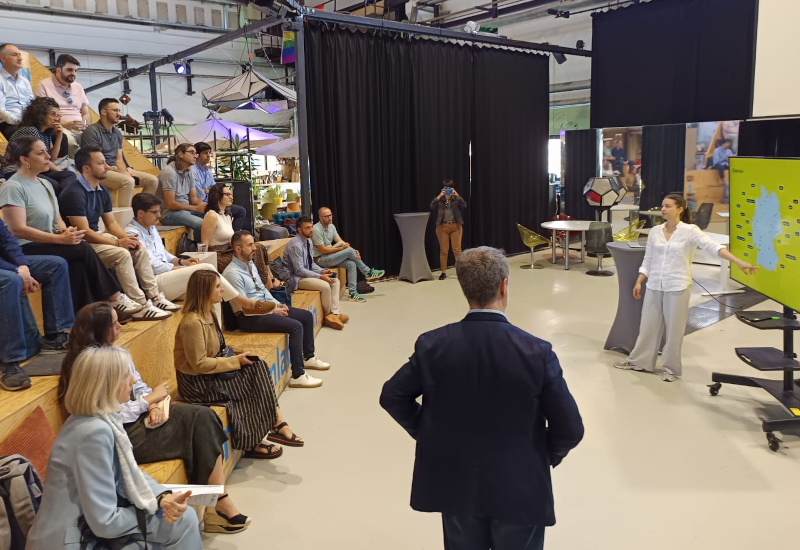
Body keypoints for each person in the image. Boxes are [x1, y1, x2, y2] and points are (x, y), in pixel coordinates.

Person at [380, 246, 584, 550]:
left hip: (456, 483)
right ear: (504, 286)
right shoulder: (536, 352)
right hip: (520, 486)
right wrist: (541, 455)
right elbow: (570, 429)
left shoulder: (433, 345)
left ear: (464, 288)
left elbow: (393, 396)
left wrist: (428, 432)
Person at [58, 302, 251, 535]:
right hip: (120, 433)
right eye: (114, 323)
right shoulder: (87, 365)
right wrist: (148, 401)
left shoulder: (117, 352)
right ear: (98, 329)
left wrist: (153, 406)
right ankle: (218, 503)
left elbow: (138, 385)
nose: (120, 326)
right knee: (196, 432)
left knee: (204, 416)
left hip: (140, 417)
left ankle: (216, 498)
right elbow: (107, 413)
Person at [26, 345, 200, 549]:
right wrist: (151, 508)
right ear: (108, 384)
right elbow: (105, 522)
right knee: (183, 521)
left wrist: (162, 497)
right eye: (126, 375)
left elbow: (127, 472)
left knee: (182, 519)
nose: (133, 380)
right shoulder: (93, 432)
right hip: (71, 540)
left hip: (85, 530)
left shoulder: (95, 419)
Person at [614, 194, 758, 382]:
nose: (663, 209)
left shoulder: (690, 231)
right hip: (654, 284)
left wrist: (738, 261)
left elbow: (714, 247)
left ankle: (670, 369)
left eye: (668, 206)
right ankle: (639, 361)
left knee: (674, 330)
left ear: (680, 209)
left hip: (677, 286)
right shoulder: (655, 231)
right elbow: (648, 259)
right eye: (662, 205)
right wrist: (640, 280)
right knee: (647, 326)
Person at [0, 136, 143, 316]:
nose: (48, 157)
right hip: (25, 247)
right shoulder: (13, 187)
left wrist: (66, 231)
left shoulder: (45, 183)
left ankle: (91, 316)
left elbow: (57, 217)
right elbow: (17, 230)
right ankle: (114, 296)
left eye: (46, 151)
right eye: (41, 153)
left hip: (49, 242)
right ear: (24, 159)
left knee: (77, 263)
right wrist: (60, 239)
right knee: (82, 248)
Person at [174, 269, 304, 460]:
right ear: (204, 292)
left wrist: (237, 354)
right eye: (217, 287)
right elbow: (199, 364)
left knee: (257, 365)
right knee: (245, 386)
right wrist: (235, 361)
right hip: (196, 383)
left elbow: (217, 347)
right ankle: (253, 442)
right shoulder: (192, 322)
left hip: (210, 372)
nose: (222, 290)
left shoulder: (210, 312)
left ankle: (276, 422)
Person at [59, 147, 176, 321]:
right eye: (101, 163)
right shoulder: (74, 193)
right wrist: (118, 243)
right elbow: (85, 232)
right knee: (121, 254)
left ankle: (154, 297)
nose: (107, 166)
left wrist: (127, 239)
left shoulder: (102, 190)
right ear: (86, 168)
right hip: (81, 243)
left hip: (97, 236)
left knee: (138, 248)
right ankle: (141, 305)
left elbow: (111, 223)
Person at [126, 192, 273, 315]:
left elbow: (164, 254)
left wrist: (182, 261)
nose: (159, 215)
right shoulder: (132, 234)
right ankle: (246, 304)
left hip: (167, 278)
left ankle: (220, 335)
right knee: (206, 269)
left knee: (209, 291)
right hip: (153, 284)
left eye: (159, 211)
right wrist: (178, 268)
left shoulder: (151, 228)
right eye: (154, 212)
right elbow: (150, 266)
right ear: (140, 213)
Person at [223, 230, 327, 389]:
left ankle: (309, 357)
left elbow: (263, 290)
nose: (254, 248)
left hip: (266, 308)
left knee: (306, 316)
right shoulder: (232, 273)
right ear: (238, 249)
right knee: (296, 326)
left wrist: (276, 304)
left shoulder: (250, 264)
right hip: (249, 318)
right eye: (250, 245)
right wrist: (272, 310)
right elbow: (245, 307)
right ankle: (298, 375)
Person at [0, 217, 74, 391]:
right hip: (6, 269)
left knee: (56, 265)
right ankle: (10, 362)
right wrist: (15, 270)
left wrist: (23, 266)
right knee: (11, 281)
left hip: (6, 265)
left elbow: (6, 240)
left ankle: (55, 337)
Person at [201, 182, 285, 288]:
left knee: (258, 247)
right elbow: (204, 243)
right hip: (217, 255)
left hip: (228, 249)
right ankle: (269, 285)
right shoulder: (211, 216)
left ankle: (270, 280)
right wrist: (205, 266)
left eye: (231, 194)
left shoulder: (226, 215)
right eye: (227, 194)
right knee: (256, 250)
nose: (231, 197)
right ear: (217, 196)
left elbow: (228, 238)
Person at [80, 97, 158, 207]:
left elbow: (119, 159)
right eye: (115, 110)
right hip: (99, 169)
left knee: (153, 180)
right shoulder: (91, 132)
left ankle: (140, 212)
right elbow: (96, 161)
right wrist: (123, 173)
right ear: (104, 112)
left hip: (114, 168)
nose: (118, 114)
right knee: (128, 181)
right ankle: (125, 216)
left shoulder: (117, 132)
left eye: (119, 110)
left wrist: (125, 171)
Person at [1, 96, 78, 195]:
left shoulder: (45, 133)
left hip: (35, 169)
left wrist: (59, 136)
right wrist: (59, 171)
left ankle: (65, 201)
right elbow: (42, 159)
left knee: (69, 175)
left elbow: (52, 157)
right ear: (40, 114)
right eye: (53, 114)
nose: (57, 118)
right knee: (55, 184)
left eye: (58, 115)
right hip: (17, 171)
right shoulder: (30, 130)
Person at [283, 215, 347, 330]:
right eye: (307, 228)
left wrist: (322, 271)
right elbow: (299, 270)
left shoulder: (308, 241)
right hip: (296, 279)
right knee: (325, 286)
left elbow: (311, 264)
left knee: (335, 281)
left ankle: (335, 314)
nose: (311, 230)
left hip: (305, 274)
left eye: (311, 227)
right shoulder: (296, 245)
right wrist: (320, 276)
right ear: (299, 230)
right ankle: (328, 315)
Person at [312, 206, 384, 303]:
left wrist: (354, 251)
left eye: (330, 215)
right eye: (326, 216)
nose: (330, 218)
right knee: (349, 252)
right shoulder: (316, 229)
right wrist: (343, 249)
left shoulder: (331, 226)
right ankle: (368, 272)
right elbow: (323, 250)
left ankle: (352, 294)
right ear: (320, 217)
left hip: (330, 256)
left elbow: (341, 242)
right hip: (320, 259)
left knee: (351, 264)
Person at [34, 53, 91, 154]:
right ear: (58, 70)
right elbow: (42, 114)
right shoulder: (43, 85)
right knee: (70, 143)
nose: (73, 73)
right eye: (69, 70)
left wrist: (84, 124)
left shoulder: (78, 87)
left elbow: (86, 113)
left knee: (94, 141)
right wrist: (65, 124)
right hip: (58, 127)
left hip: (80, 129)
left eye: (75, 70)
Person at [192, 141, 247, 230]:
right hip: (202, 205)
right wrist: (208, 191)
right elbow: (200, 196)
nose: (208, 155)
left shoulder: (207, 169)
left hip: (214, 203)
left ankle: (233, 236)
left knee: (241, 211)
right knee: (228, 213)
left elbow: (216, 191)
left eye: (209, 152)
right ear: (197, 155)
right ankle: (226, 236)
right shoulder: (192, 170)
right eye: (205, 153)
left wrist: (206, 190)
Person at [156, 142, 205, 239]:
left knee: (214, 217)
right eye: (192, 152)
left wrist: (207, 206)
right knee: (202, 224)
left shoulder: (189, 172)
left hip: (185, 210)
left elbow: (194, 199)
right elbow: (170, 204)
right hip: (169, 214)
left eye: (196, 154)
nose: (195, 156)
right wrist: (195, 208)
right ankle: (199, 247)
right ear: (181, 154)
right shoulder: (169, 172)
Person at [430, 180, 466, 280]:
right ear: (443, 189)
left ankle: (460, 272)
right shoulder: (440, 199)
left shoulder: (456, 199)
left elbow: (464, 205)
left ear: (452, 189)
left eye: (449, 188)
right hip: (442, 227)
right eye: (446, 188)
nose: (448, 190)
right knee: (443, 250)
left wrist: (457, 195)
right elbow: (432, 206)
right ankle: (443, 272)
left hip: (455, 226)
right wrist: (439, 196)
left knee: (457, 250)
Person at [0, 44, 34, 139]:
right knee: (30, 135)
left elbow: (32, 104)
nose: (20, 58)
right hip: (8, 124)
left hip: (27, 124)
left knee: (56, 134)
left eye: (19, 55)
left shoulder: (25, 81)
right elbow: (1, 111)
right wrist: (19, 122)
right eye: (14, 55)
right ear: (3, 58)